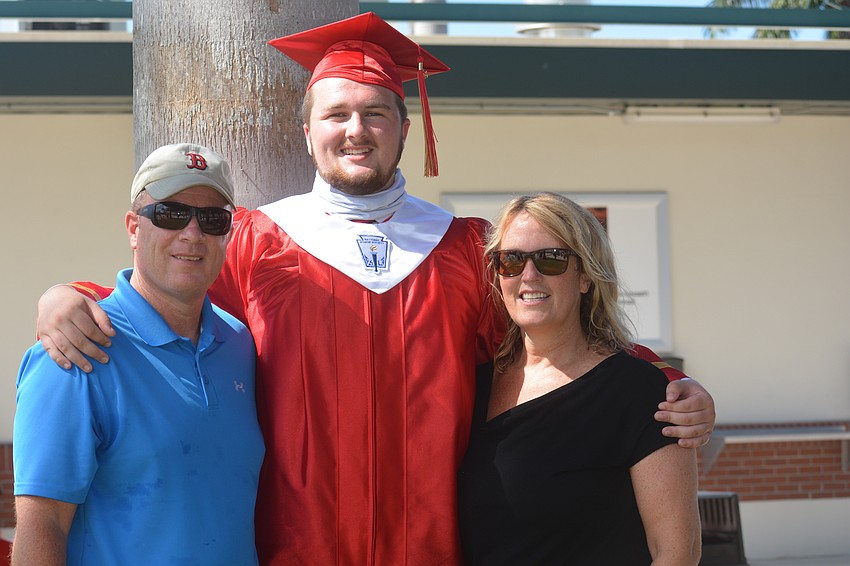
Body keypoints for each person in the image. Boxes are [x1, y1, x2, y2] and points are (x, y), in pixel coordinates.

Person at [33, 13, 714, 566]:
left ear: (404, 129)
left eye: (374, 114)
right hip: (291, 551)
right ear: (307, 132)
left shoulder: (464, 249)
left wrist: (666, 380)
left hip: (436, 550)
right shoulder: (253, 241)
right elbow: (166, 298)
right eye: (335, 115)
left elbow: (552, 343)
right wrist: (67, 295)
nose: (354, 131)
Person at [12, 144, 265, 566]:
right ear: (133, 227)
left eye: (212, 219)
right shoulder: (75, 349)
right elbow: (44, 525)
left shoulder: (239, 343)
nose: (192, 233)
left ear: (228, 234)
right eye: (170, 214)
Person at [457, 192, 701, 565]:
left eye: (551, 259)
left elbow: (675, 554)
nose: (529, 275)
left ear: (586, 276)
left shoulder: (640, 393)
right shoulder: (470, 386)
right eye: (511, 260)